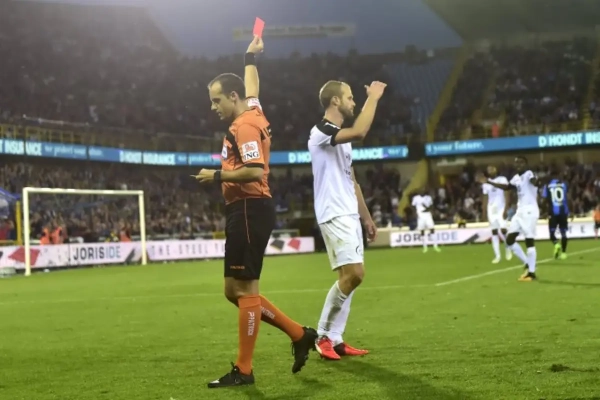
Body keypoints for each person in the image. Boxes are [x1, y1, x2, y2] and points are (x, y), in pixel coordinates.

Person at [194, 37, 317, 388]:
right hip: (245, 209)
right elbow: (252, 87)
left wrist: (216, 175)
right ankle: (299, 334)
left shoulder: (244, 126)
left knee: (245, 290)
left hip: (249, 207)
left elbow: (254, 169)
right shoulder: (253, 110)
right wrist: (250, 56)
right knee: (233, 290)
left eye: (216, 100)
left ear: (232, 97)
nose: (213, 107)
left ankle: (244, 370)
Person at [308, 80, 386, 360]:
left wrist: (366, 218)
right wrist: (373, 98)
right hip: (334, 212)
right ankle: (322, 335)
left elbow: (351, 180)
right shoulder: (321, 131)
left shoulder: (342, 139)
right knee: (355, 274)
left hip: (349, 213)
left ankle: (336, 337)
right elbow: (361, 131)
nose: (354, 102)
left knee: (348, 279)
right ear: (335, 101)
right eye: (350, 98)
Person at [479, 156, 539, 282]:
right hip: (520, 211)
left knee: (529, 241)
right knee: (509, 240)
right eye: (517, 163)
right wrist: (489, 182)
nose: (518, 165)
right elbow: (507, 187)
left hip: (529, 211)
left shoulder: (529, 174)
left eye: (521, 163)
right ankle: (527, 263)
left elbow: (534, 181)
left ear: (526, 164)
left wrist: (537, 182)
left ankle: (531, 273)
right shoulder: (516, 178)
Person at [481, 165, 512, 263]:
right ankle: (497, 256)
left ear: (496, 170)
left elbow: (507, 192)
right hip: (491, 209)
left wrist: (506, 208)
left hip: (501, 207)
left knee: (503, 230)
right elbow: (485, 198)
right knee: (494, 231)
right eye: (488, 170)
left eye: (492, 169)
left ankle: (508, 248)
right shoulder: (485, 184)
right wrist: (484, 212)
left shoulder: (502, 179)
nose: (490, 171)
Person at [541, 170, 569, 259]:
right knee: (563, 233)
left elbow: (544, 200)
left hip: (553, 213)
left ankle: (556, 244)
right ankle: (564, 253)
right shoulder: (564, 185)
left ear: (551, 176)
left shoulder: (547, 186)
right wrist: (570, 211)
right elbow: (567, 198)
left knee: (552, 234)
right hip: (563, 212)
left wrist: (544, 211)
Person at [412, 188, 440, 253]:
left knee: (432, 229)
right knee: (422, 231)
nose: (422, 191)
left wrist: (427, 209)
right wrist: (415, 213)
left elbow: (431, 206)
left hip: (427, 215)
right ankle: (425, 247)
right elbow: (413, 206)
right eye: (420, 190)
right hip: (420, 216)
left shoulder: (428, 197)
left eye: (423, 190)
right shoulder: (415, 198)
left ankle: (435, 246)